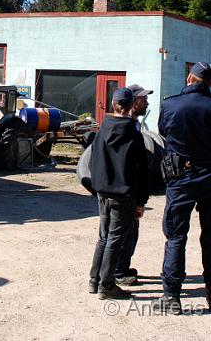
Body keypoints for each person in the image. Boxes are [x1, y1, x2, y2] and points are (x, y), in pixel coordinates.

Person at [154, 62, 211, 315]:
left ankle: (172, 296)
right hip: (210, 175)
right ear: (209, 83)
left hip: (180, 176)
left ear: (189, 78)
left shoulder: (170, 104)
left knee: (176, 235)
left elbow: (164, 131)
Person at [88, 88, 150, 300]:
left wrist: (97, 186)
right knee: (114, 239)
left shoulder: (103, 129)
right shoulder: (133, 134)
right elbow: (141, 171)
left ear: (113, 104)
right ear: (131, 104)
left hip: (103, 193)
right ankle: (106, 286)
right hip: (122, 195)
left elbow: (93, 160)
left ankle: (94, 281)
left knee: (104, 237)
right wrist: (141, 201)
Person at [113, 83, 153, 286]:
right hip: (124, 190)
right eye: (143, 99)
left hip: (128, 190)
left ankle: (122, 266)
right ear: (133, 102)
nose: (146, 103)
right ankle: (118, 272)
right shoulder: (125, 127)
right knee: (124, 232)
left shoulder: (134, 125)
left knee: (131, 231)